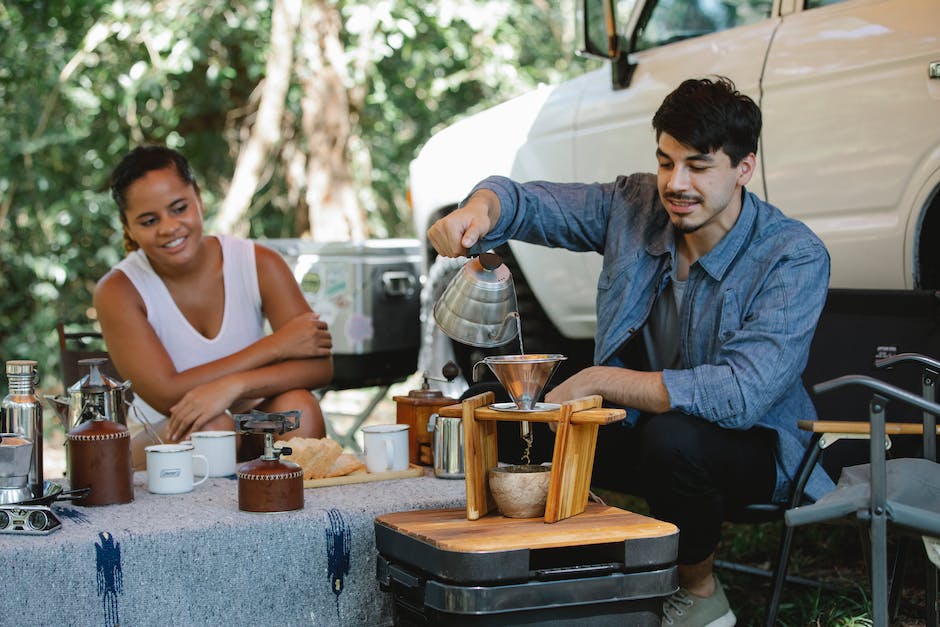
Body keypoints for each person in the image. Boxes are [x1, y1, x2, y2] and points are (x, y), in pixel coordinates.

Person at [428, 76, 835, 627]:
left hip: (755, 446)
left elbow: (741, 394)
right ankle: (534, 573)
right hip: (641, 426)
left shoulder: (793, 256)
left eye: (698, 166)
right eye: (666, 163)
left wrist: (602, 381)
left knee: (676, 440)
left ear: (744, 168)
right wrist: (476, 210)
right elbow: (528, 202)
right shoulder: (634, 204)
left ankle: (701, 596)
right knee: (501, 401)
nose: (676, 183)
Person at [94, 145, 333, 469]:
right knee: (213, 427)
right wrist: (276, 346)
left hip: (251, 418)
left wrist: (234, 386)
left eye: (179, 208)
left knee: (298, 408)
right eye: (149, 221)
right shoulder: (119, 290)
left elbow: (320, 366)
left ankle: (293, 516)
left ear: (199, 199)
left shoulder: (258, 263)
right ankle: (211, 522)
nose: (168, 227)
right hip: (166, 435)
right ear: (128, 228)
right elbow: (168, 395)